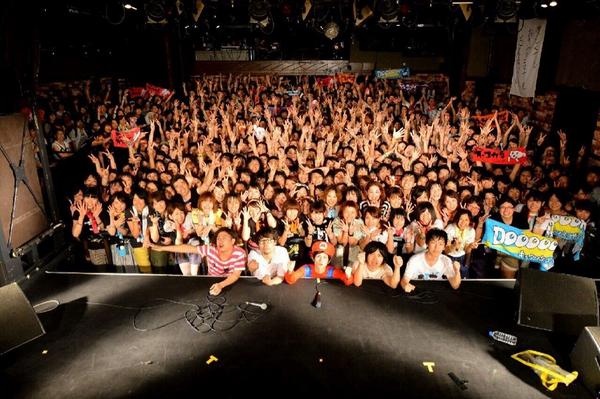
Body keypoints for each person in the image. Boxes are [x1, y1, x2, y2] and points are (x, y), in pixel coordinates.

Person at [152, 227, 247, 295]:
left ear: (233, 241)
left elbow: (235, 275)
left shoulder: (240, 253)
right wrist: (162, 248)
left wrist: (221, 285)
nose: (220, 241)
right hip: (211, 281)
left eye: (224, 238)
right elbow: (187, 248)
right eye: (218, 238)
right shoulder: (211, 249)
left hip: (229, 282)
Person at [401, 229, 461, 293]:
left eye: (440, 244)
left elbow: (455, 285)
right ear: (427, 244)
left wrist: (457, 271)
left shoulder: (446, 261)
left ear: (444, 247)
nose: (436, 247)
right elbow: (404, 280)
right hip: (417, 292)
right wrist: (405, 285)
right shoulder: (415, 260)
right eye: (433, 242)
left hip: (436, 292)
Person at [284, 241, 353, 286]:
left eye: (324, 257)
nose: (321, 260)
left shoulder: (332, 271)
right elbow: (291, 280)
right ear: (313, 258)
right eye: (318, 256)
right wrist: (290, 271)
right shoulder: (306, 269)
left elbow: (348, 282)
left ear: (329, 261)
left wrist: (348, 276)